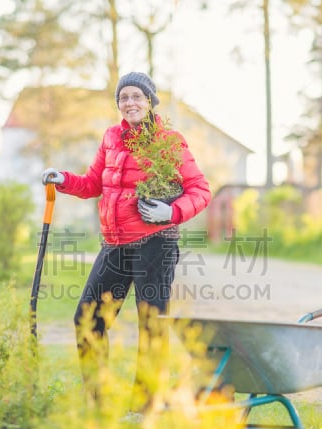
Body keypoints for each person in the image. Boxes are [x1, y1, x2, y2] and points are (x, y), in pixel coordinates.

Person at [42, 71, 211, 409]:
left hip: (155, 244)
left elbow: (200, 191)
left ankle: (146, 403)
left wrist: (171, 213)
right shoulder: (111, 138)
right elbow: (93, 183)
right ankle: (99, 399)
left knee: (151, 326)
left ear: (150, 101)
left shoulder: (169, 140)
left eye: (137, 96)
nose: (129, 102)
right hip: (115, 245)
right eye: (123, 97)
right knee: (87, 320)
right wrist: (63, 179)